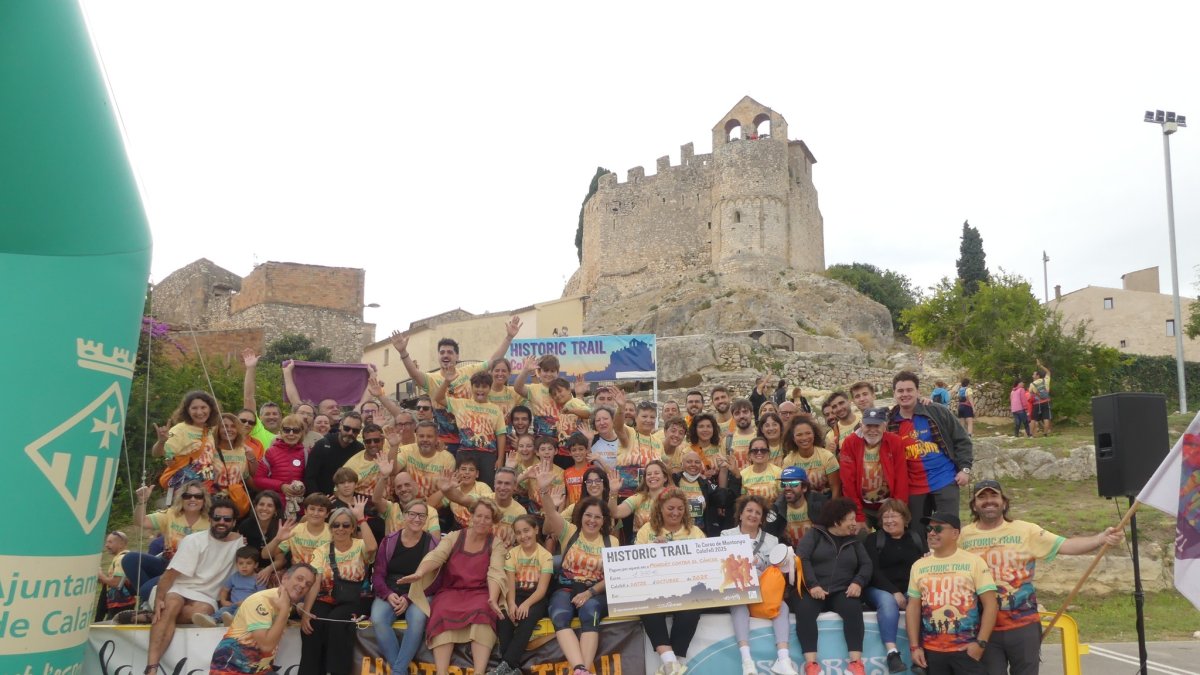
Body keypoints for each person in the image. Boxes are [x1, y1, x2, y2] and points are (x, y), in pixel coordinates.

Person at [960, 480, 1122, 675]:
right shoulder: (963, 536)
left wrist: (1100, 538)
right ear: (974, 505)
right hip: (983, 628)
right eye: (982, 497)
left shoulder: (1026, 530)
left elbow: (1067, 545)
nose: (988, 501)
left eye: (993, 496)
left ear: (1004, 502)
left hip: (1023, 625)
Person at [395, 499, 507, 675]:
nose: (482, 521)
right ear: (471, 516)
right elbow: (437, 555)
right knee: (441, 609)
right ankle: (441, 672)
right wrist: (420, 573)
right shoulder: (455, 536)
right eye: (479, 516)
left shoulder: (496, 543)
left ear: (493, 522)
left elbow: (496, 571)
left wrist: (493, 597)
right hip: (451, 591)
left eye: (487, 518)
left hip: (480, 593)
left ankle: (479, 672)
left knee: (484, 612)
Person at [143, 497, 245, 675]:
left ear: (234, 522)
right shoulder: (194, 540)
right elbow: (170, 574)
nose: (221, 522)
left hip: (206, 597)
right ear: (210, 520)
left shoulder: (239, 544)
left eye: (227, 519)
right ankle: (152, 667)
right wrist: (159, 599)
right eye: (217, 518)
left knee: (197, 613)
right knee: (171, 605)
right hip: (179, 587)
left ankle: (148, 616)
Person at [390, 319, 521, 453]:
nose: (445, 355)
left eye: (450, 352)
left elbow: (493, 360)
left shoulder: (469, 371)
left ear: (457, 356)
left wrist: (509, 337)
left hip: (472, 440)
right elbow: (414, 374)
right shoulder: (432, 378)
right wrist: (403, 353)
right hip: (446, 441)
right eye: (442, 352)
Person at [907, 512, 998, 675]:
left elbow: (991, 604)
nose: (932, 533)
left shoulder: (974, 562)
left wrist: (981, 644)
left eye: (938, 528)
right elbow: (913, 608)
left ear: (955, 533)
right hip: (931, 651)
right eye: (929, 528)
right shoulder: (918, 565)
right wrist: (914, 647)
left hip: (966, 649)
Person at [791, 498, 872, 675]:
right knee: (804, 611)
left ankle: (856, 663)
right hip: (812, 590)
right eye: (850, 519)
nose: (854, 523)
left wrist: (858, 582)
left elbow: (866, 564)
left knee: (853, 610)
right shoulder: (814, 534)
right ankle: (811, 664)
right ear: (837, 521)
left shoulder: (854, 540)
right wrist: (813, 585)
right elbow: (801, 558)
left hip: (841, 590)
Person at [540, 480, 613, 675]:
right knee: (559, 614)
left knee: (590, 612)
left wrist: (590, 593)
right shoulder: (569, 532)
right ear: (581, 517)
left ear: (604, 520)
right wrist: (544, 491)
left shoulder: (611, 541)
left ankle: (582, 670)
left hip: (595, 592)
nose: (592, 520)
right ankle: (581, 670)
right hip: (566, 587)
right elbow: (551, 514)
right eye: (588, 515)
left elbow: (614, 576)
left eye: (597, 517)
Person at [887, 371, 974, 531]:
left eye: (909, 390)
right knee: (917, 536)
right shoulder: (889, 422)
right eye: (900, 391)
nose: (905, 394)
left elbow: (961, 440)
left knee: (948, 530)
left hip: (945, 481)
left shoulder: (936, 411)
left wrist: (965, 469)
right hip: (913, 487)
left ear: (918, 392)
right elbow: (866, 429)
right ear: (894, 394)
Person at [299, 499, 378, 675]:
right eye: (336, 525)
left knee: (336, 622)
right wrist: (306, 613)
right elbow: (316, 582)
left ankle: (337, 672)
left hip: (356, 599)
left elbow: (373, 547)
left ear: (352, 528)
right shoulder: (322, 550)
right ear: (331, 528)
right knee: (313, 622)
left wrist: (361, 519)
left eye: (345, 525)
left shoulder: (360, 546)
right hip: (327, 597)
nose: (340, 529)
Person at [634, 487, 706, 674]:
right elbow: (634, 563)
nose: (676, 513)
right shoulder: (646, 530)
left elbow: (707, 561)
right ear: (660, 508)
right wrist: (651, 550)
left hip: (688, 589)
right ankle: (670, 660)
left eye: (680, 509)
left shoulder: (695, 531)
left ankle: (673, 665)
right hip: (655, 589)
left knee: (691, 611)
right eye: (670, 508)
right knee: (647, 605)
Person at [723, 495, 794, 675]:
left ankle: (783, 659)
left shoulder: (772, 539)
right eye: (749, 511)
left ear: (762, 519)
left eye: (758, 513)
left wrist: (759, 561)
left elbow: (774, 569)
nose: (753, 515)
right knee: (739, 604)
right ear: (740, 515)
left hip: (762, 589)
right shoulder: (726, 535)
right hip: (737, 586)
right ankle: (747, 661)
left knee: (782, 607)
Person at [119, 481, 211, 618]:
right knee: (129, 559)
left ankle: (150, 602)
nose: (193, 499)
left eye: (198, 496)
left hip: (189, 571)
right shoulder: (171, 514)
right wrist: (142, 501)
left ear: (204, 500)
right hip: (167, 563)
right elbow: (140, 522)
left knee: (146, 589)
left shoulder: (210, 520)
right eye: (188, 496)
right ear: (182, 498)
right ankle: (150, 603)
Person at [370, 498, 439, 675]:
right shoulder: (390, 541)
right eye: (413, 514)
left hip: (419, 591)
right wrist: (387, 594)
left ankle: (397, 671)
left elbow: (435, 580)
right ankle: (400, 671)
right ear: (404, 516)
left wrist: (409, 598)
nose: (417, 519)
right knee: (378, 619)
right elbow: (378, 574)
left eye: (422, 516)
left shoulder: (432, 544)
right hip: (390, 589)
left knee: (416, 621)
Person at [210, 564, 318, 675]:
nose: (302, 585)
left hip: (258, 669)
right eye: (299, 579)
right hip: (230, 667)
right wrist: (284, 610)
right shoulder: (261, 600)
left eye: (308, 584)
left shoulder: (285, 602)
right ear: (285, 578)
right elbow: (266, 646)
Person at [862, 499, 926, 674]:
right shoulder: (873, 539)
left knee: (921, 603)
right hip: (879, 588)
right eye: (885, 517)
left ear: (905, 519)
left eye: (893, 516)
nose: (889, 520)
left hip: (910, 588)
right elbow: (873, 571)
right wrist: (894, 592)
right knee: (888, 601)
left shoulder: (916, 538)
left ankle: (920, 653)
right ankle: (892, 654)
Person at [494, 515, 554, 675]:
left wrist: (526, 604)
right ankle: (513, 669)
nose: (523, 536)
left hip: (536, 598)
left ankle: (506, 664)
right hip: (517, 594)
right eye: (518, 533)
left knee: (527, 617)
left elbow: (542, 590)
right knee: (505, 616)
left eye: (526, 531)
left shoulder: (545, 556)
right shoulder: (512, 554)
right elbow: (510, 583)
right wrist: (512, 603)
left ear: (536, 530)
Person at [839, 407, 909, 531]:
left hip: (889, 504)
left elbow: (901, 478)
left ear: (884, 426)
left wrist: (897, 512)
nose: (872, 430)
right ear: (861, 425)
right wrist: (859, 515)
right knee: (859, 535)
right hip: (862, 506)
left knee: (894, 537)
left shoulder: (895, 442)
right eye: (868, 425)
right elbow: (848, 482)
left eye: (877, 426)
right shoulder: (850, 443)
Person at [435, 369, 509, 484]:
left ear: (489, 388)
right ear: (471, 387)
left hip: (488, 454)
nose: (480, 390)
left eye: (484, 387)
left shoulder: (496, 409)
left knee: (488, 487)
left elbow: (501, 435)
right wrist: (446, 382)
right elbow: (438, 398)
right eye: (477, 386)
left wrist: (500, 458)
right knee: (462, 486)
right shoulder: (461, 404)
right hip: (465, 452)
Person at [154, 390, 221, 497]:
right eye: (194, 408)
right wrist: (161, 442)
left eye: (203, 407)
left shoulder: (208, 431)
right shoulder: (180, 429)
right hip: (184, 489)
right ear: (187, 411)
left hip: (205, 487)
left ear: (211, 409)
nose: (199, 412)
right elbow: (158, 453)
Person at [194, 546, 269, 627]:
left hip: (249, 606)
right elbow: (225, 590)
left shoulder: (258, 578)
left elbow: (261, 596)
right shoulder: (234, 577)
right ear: (236, 564)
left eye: (248, 563)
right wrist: (223, 600)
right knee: (223, 610)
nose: (244, 566)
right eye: (241, 563)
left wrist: (247, 602)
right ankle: (212, 620)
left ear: (256, 565)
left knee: (239, 611)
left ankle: (233, 620)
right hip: (233, 605)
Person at [254, 415, 308, 520]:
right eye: (287, 430)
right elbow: (258, 480)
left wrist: (303, 488)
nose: (291, 434)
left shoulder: (306, 453)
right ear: (281, 432)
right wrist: (281, 486)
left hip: (298, 507)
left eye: (296, 430)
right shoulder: (271, 452)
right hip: (275, 507)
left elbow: (309, 478)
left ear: (301, 433)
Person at [780, 417, 840, 511]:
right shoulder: (788, 461)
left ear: (814, 434)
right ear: (793, 438)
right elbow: (787, 489)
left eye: (808, 433)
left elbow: (835, 487)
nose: (804, 438)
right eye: (799, 435)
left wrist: (832, 510)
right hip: (798, 505)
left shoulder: (827, 457)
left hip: (824, 504)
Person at [263, 492, 332, 568]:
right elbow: (265, 555)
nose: (315, 513)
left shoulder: (334, 532)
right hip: (298, 574)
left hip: (325, 575)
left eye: (321, 510)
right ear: (305, 511)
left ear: (327, 514)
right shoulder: (295, 530)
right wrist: (277, 539)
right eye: (312, 509)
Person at [305, 412, 365, 496]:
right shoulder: (323, 444)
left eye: (355, 430)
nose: (350, 433)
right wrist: (319, 499)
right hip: (322, 500)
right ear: (341, 425)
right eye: (347, 428)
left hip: (347, 500)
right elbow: (310, 476)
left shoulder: (359, 449)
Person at [674, 449, 731, 536]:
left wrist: (725, 470)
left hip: (700, 531)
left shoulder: (705, 483)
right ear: (682, 464)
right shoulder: (674, 480)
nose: (693, 465)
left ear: (701, 466)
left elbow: (722, 498)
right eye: (689, 462)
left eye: (697, 462)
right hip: (677, 530)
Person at [613, 459, 673, 535]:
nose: (652, 476)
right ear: (645, 479)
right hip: (641, 543)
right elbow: (615, 513)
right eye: (649, 474)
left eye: (656, 473)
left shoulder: (674, 497)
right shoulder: (639, 497)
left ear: (665, 478)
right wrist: (613, 492)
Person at [767, 466, 815, 546]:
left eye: (793, 484)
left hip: (815, 554)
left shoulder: (819, 504)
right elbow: (768, 538)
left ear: (804, 488)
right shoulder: (776, 510)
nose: (787, 488)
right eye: (784, 484)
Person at [237, 490, 282, 572]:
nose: (264, 508)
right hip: (249, 569)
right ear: (255, 507)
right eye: (261, 504)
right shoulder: (245, 525)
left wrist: (267, 570)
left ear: (275, 510)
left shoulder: (281, 527)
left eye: (270, 506)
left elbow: (282, 560)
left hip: (275, 569)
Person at [98, 531, 136, 620]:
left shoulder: (120, 559)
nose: (106, 545)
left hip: (120, 604)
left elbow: (116, 583)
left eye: (110, 542)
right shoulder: (122, 557)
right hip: (120, 603)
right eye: (106, 542)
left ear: (121, 544)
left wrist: (101, 575)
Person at [741, 436, 783, 502]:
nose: (759, 453)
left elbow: (781, 497)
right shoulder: (743, 474)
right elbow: (742, 500)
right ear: (749, 455)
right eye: (755, 450)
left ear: (768, 453)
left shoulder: (779, 472)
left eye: (763, 450)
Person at [822, 390, 861, 455]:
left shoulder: (864, 419)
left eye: (841, 403)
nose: (839, 408)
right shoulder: (831, 436)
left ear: (849, 401)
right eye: (834, 407)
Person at [726, 398, 759, 470]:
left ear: (752, 414)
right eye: (737, 413)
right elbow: (725, 468)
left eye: (745, 412)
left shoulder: (760, 436)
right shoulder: (727, 440)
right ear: (733, 417)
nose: (741, 416)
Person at [1029, 361, 1052, 436]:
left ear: (1037, 376)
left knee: (1033, 419)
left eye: (1034, 374)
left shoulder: (1032, 384)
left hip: (1037, 403)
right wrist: (1040, 365)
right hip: (1046, 402)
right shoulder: (1045, 380)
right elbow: (1048, 372)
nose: (1032, 376)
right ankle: (1045, 434)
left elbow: (1030, 394)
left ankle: (1031, 435)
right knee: (1046, 418)